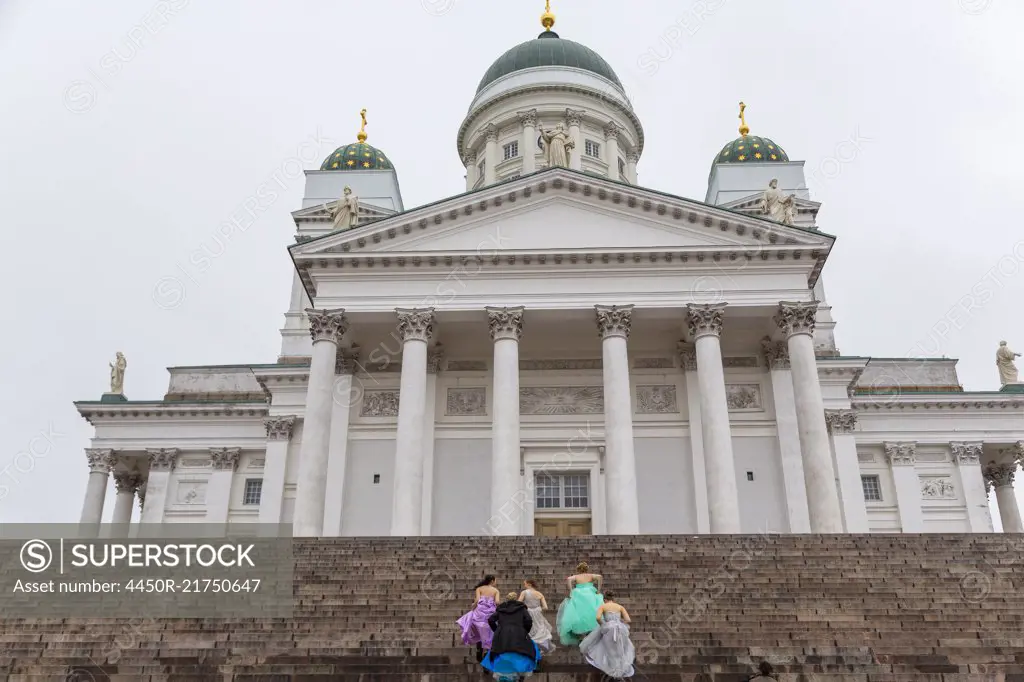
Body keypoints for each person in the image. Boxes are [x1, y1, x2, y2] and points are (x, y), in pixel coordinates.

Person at [481, 592, 542, 682]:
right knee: (526, 649)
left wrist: (497, 630)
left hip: (502, 634)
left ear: (507, 599)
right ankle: (522, 674)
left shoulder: (501, 609)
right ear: (516, 599)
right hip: (519, 632)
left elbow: (491, 619)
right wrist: (525, 630)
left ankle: (502, 671)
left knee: (500, 651)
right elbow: (528, 620)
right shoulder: (521, 609)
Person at [579, 590, 635, 679]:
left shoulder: (603, 606)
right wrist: (619, 622)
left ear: (605, 599)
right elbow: (628, 620)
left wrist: (603, 624)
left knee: (609, 649)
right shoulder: (620, 607)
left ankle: (612, 669)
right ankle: (620, 669)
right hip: (620, 629)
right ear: (613, 599)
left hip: (608, 628)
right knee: (620, 649)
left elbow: (597, 617)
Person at [556, 561, 604, 646]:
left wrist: (571, 590)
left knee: (578, 613)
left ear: (578, 569)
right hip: (590, 594)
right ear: (586, 569)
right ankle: (591, 632)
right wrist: (599, 589)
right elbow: (600, 577)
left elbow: (569, 579)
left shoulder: (577, 576)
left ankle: (581, 634)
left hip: (578, 594)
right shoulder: (590, 575)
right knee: (592, 611)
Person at [457, 575, 500, 662]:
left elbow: (477, 600)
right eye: (495, 580)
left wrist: (473, 607)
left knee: (478, 631)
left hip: (479, 613)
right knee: (488, 632)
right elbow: (497, 602)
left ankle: (479, 649)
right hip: (490, 613)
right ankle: (487, 652)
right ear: (492, 581)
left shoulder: (479, 588)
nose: (496, 582)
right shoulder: (495, 590)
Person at [518, 578, 555, 652]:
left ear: (529, 584)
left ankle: (529, 648)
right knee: (539, 629)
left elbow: (518, 603)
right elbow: (545, 607)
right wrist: (537, 609)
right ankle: (538, 648)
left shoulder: (524, 592)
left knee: (529, 629)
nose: (524, 585)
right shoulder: (539, 594)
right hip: (538, 613)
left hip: (527, 613)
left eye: (525, 583)